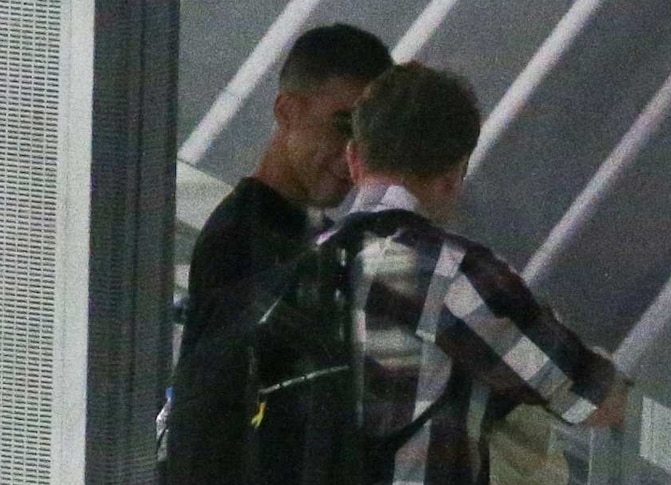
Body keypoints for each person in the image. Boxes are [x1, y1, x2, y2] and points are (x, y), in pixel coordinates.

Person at [318, 62, 630, 484]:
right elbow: (593, 398)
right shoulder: (449, 276)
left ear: (354, 159)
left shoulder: (297, 267)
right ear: (453, 176)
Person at [168, 24, 392, 484]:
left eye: (369, 137)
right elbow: (210, 414)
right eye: (342, 126)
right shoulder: (244, 240)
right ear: (287, 110)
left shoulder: (302, 239)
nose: (354, 154)